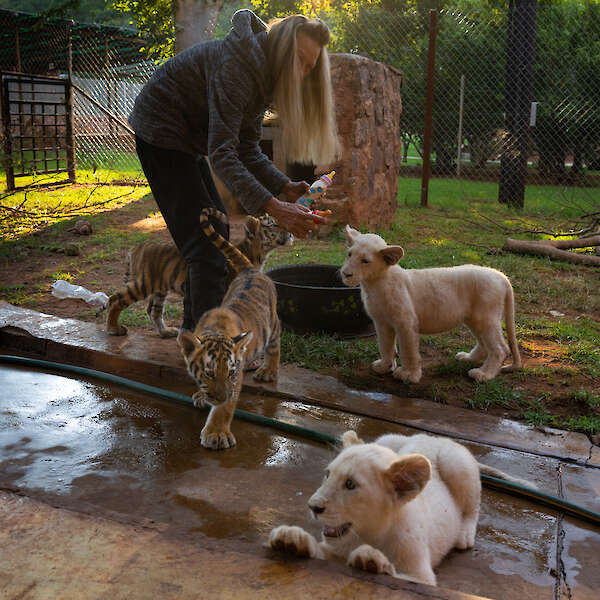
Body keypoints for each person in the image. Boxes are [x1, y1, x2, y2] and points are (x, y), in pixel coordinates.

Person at [128, 10, 340, 332]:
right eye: (300, 61)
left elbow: (247, 148)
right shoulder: (240, 68)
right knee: (207, 247)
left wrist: (284, 186)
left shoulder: (263, 75)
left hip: (188, 140)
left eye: (310, 68)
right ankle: (203, 345)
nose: (303, 74)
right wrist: (274, 207)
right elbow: (223, 153)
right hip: (161, 130)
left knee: (216, 236)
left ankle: (194, 335)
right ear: (282, 48)